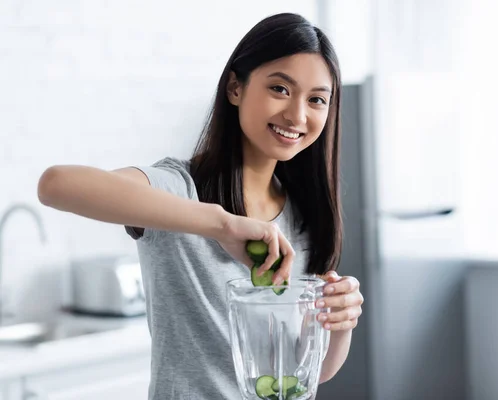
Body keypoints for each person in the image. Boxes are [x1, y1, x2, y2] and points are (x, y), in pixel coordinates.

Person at [37, 12, 364, 399]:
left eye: (317, 100)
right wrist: (221, 224)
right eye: (280, 89)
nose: (297, 114)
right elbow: (57, 185)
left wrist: (341, 322)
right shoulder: (179, 188)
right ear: (235, 88)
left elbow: (307, 371)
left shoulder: (304, 213)